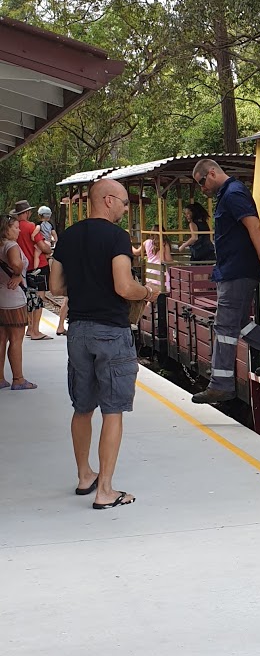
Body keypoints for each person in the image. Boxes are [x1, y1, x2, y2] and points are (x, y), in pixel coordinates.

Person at [49, 177, 152, 509]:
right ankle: (105, 491)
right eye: (123, 203)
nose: (125, 209)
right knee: (113, 409)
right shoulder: (116, 237)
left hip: (77, 329)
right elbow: (124, 287)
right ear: (108, 200)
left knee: (82, 407)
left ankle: (85, 477)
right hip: (110, 330)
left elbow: (55, 285)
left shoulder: (69, 236)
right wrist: (146, 292)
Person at [190, 158, 260, 405]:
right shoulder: (229, 194)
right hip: (233, 270)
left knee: (224, 326)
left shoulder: (233, 194)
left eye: (202, 183)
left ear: (211, 173)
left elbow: (254, 227)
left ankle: (220, 384)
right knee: (240, 322)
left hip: (237, 272)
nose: (202, 189)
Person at [0, 212, 36, 390]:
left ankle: (0, 378)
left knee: (1, 338)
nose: (19, 230)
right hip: (13, 299)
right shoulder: (11, 245)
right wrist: (17, 273)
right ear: (6, 229)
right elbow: (16, 264)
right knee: (16, 339)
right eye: (15, 227)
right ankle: (18, 379)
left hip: (0, 297)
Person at [13, 199, 50, 341]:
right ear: (27, 213)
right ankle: (35, 330)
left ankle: (29, 327)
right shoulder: (31, 227)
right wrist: (48, 250)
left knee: (28, 298)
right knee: (39, 298)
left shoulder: (14, 227)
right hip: (39, 267)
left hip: (23, 268)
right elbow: (42, 246)